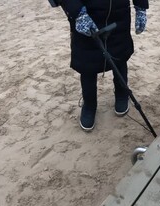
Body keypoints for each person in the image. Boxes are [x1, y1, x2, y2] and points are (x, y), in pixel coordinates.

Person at [58, 0, 149, 131]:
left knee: (120, 56)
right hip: (87, 15)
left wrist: (141, 8)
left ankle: (121, 94)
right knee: (88, 64)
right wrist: (78, 13)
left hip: (119, 14)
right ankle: (89, 105)